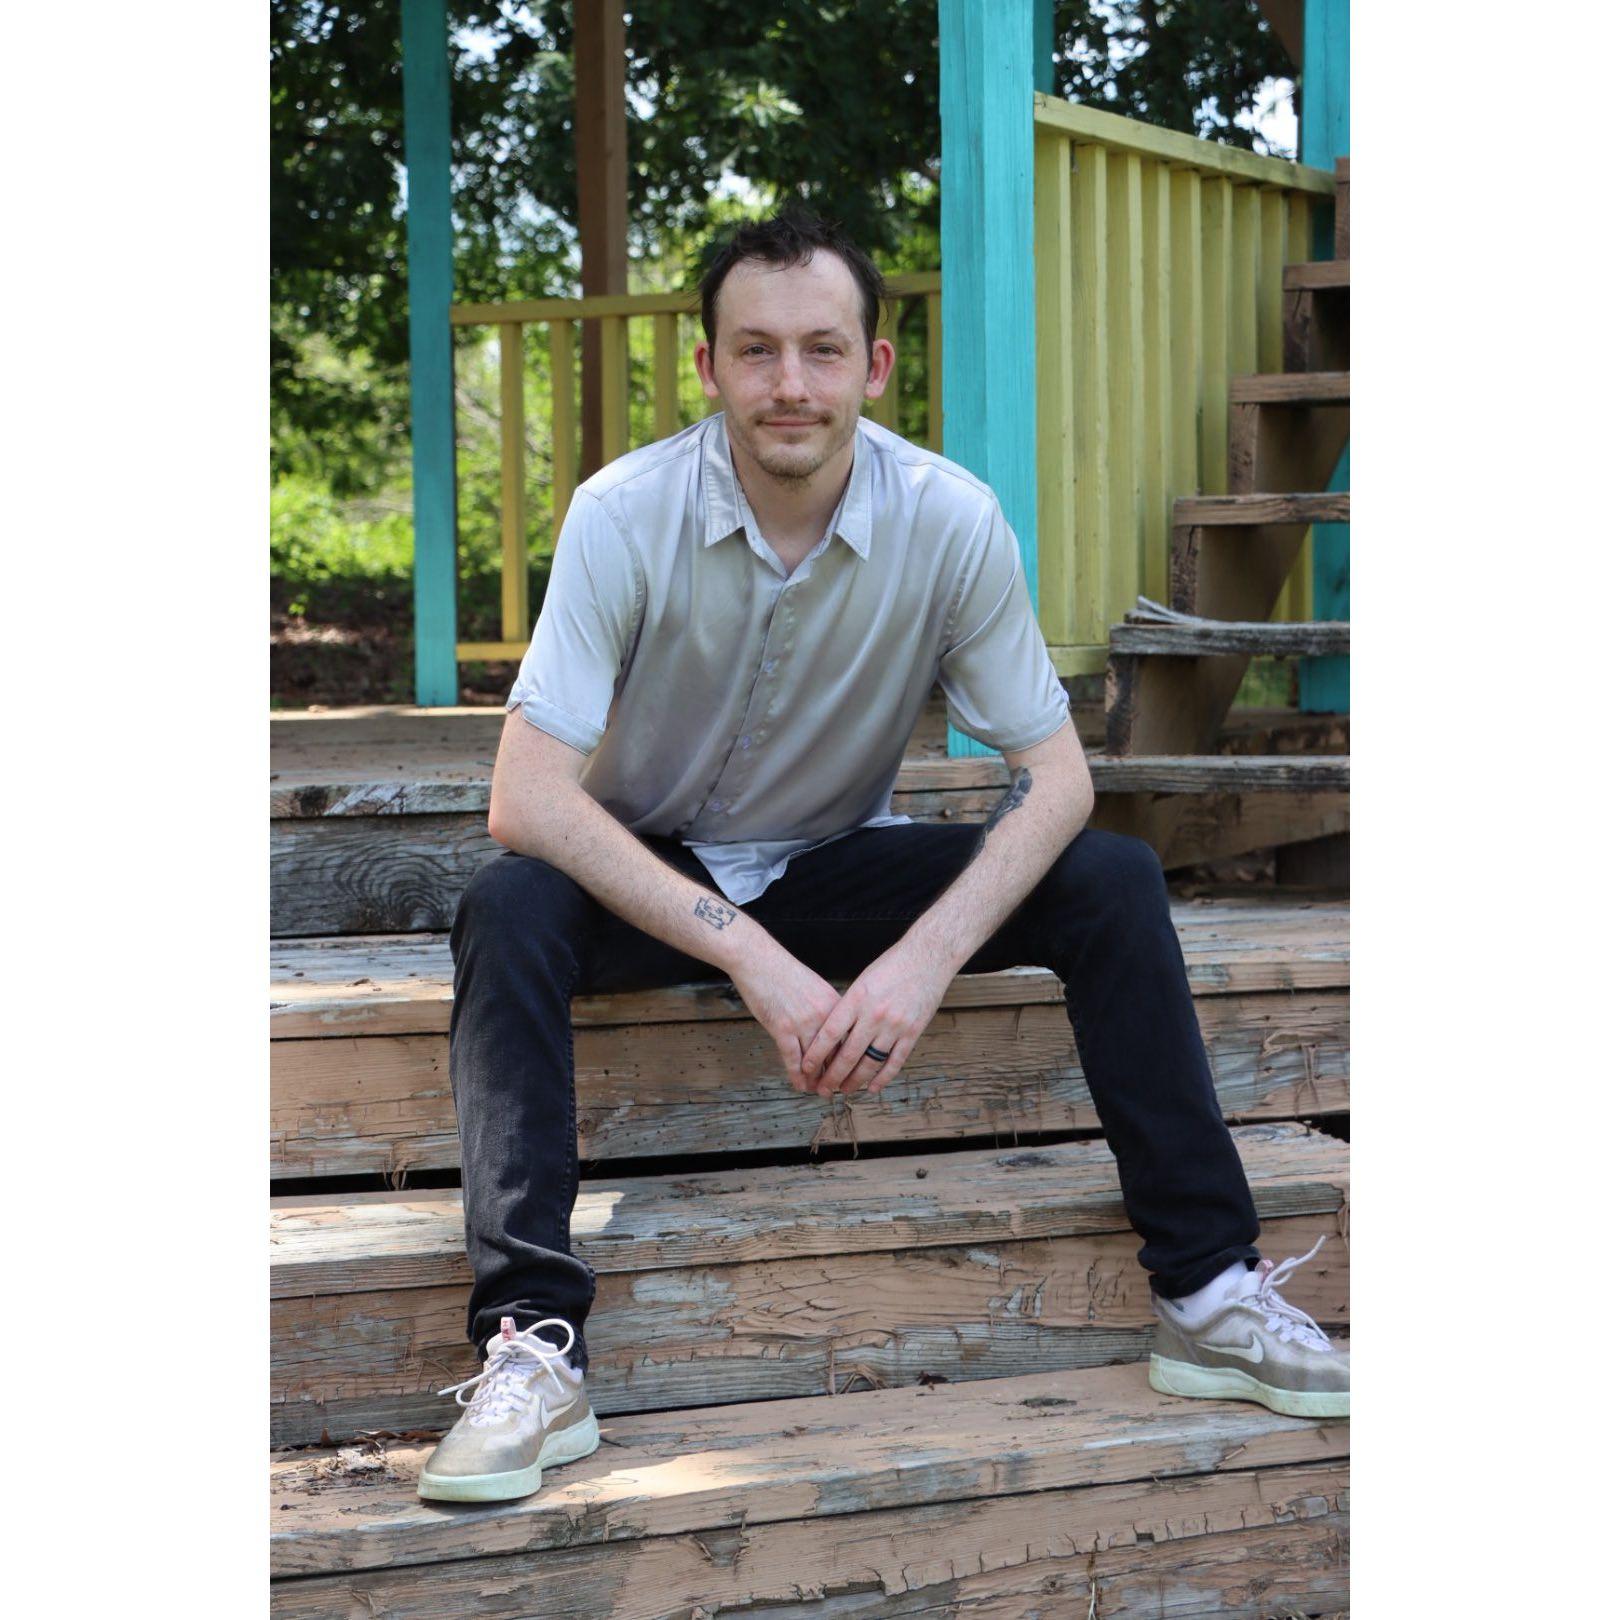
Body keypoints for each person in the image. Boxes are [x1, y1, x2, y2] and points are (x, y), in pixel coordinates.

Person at [416, 209, 1348, 1505]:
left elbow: (1061, 778)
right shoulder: (622, 514)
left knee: (1114, 880)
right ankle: (533, 1348)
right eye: (756, 351)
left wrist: (922, 961)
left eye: (821, 349)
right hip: (650, 870)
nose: (789, 384)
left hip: (833, 861)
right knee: (507, 907)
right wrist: (756, 963)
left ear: (875, 365)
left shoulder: (948, 520)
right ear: (709, 368)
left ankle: (1207, 1293)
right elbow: (525, 798)